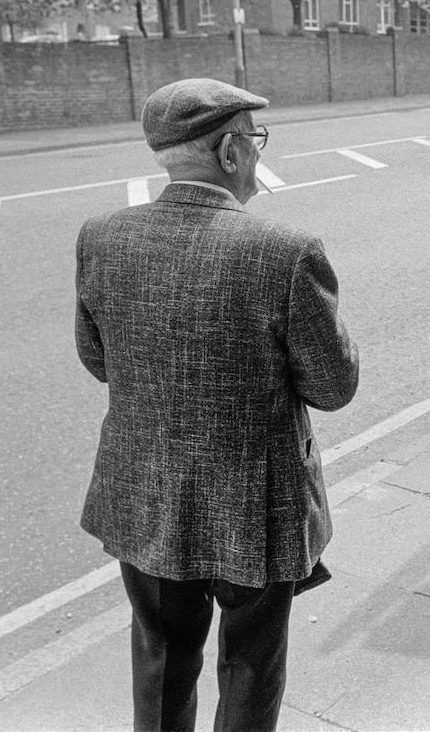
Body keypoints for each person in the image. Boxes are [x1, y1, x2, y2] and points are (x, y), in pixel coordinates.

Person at [75, 78, 359, 731]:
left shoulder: (101, 237)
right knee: (252, 668)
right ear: (230, 152)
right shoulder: (286, 252)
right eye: (254, 143)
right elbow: (334, 387)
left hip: (144, 494)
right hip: (255, 505)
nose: (258, 157)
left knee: (161, 661)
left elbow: (99, 361)